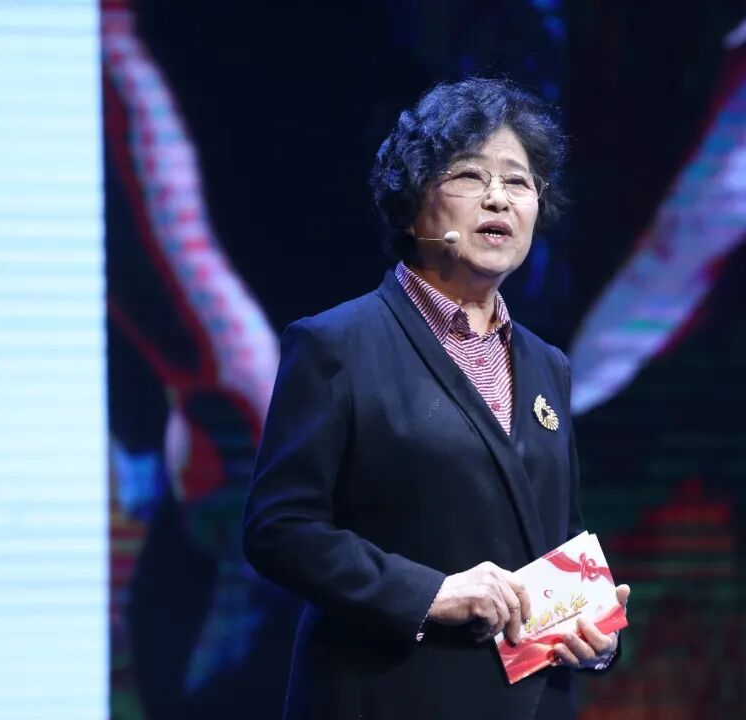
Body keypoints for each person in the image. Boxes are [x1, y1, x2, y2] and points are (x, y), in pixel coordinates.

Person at [242, 77, 629, 720]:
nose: (499, 198)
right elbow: (279, 530)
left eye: (519, 182)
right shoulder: (338, 345)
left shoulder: (547, 366)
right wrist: (429, 594)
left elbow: (554, 541)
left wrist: (596, 639)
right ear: (412, 204)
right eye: (471, 176)